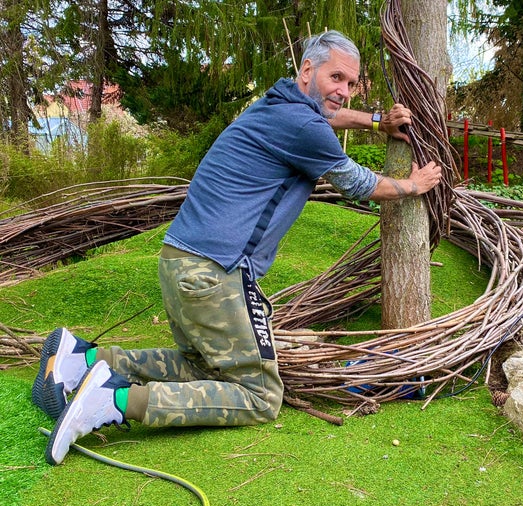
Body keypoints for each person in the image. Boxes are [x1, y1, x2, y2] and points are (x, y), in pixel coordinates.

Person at [33, 30, 442, 466]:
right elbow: (357, 183)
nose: (344, 91)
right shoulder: (302, 124)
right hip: (215, 273)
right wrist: (413, 185)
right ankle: (113, 403)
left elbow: (327, 117)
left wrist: (377, 122)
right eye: (336, 77)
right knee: (261, 396)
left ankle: (83, 358)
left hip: (180, 263)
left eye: (352, 83)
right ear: (307, 70)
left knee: (202, 369)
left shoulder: (279, 106)